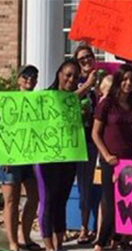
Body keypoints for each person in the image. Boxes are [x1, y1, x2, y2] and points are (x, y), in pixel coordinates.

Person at [35, 59, 93, 251]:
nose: (71, 79)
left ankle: (59, 244)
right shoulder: (46, 97)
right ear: (59, 74)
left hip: (68, 157)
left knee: (62, 201)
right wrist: (87, 85)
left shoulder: (80, 102)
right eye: (68, 74)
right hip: (46, 158)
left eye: (75, 77)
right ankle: (48, 245)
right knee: (49, 200)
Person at [92, 64, 132, 251]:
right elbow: (95, 133)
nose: (129, 83)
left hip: (129, 163)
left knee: (125, 206)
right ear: (118, 81)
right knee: (112, 205)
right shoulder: (107, 104)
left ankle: (116, 242)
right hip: (110, 161)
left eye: (131, 79)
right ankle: (99, 244)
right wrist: (106, 155)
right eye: (125, 79)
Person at [1, 65, 41, 251]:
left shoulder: (40, 102)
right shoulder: (7, 101)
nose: (30, 79)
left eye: (34, 76)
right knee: (11, 201)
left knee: (34, 197)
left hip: (31, 157)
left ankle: (24, 237)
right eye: (26, 76)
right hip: (10, 157)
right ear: (18, 79)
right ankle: (13, 243)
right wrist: (5, 156)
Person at [73, 45, 99, 244]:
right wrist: (87, 85)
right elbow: (67, 99)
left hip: (93, 139)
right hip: (73, 139)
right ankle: (65, 225)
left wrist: (97, 85)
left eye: (88, 57)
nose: (86, 61)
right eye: (81, 59)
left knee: (86, 184)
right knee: (66, 184)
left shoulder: (103, 76)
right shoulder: (74, 80)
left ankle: (85, 227)